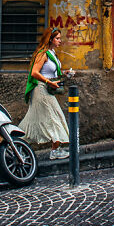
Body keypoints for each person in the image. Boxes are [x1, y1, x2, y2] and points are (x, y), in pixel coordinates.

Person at [20, 27, 71, 160]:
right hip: (41, 90)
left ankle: (16, 142)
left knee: (32, 120)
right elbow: (34, 73)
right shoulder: (42, 54)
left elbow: (51, 71)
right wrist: (48, 82)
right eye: (57, 38)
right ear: (50, 39)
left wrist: (65, 73)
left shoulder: (52, 53)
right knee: (55, 117)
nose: (60, 41)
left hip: (47, 89)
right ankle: (55, 150)